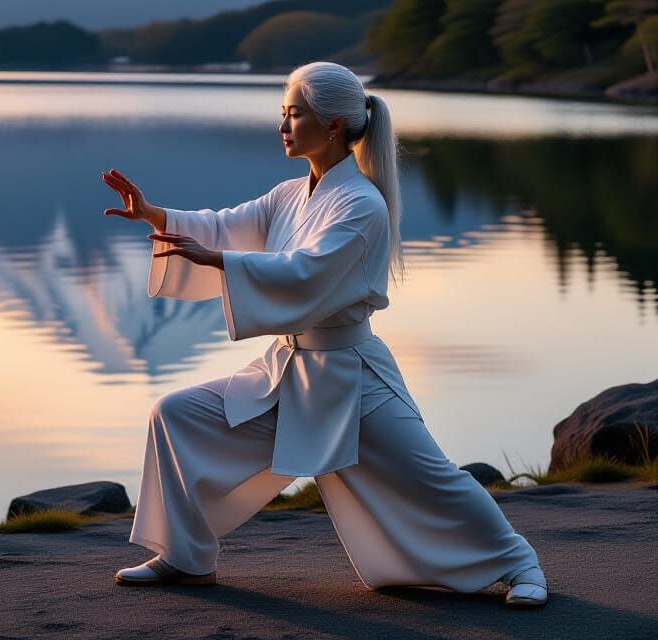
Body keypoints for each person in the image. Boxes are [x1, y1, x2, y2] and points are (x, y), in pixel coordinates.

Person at [101, 61, 548, 608]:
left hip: (350, 376)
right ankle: (186, 557)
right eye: (282, 115)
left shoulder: (361, 204)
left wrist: (221, 260)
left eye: (294, 115)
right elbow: (226, 225)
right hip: (287, 372)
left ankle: (520, 562)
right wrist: (155, 215)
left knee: (431, 480)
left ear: (334, 125)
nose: (283, 126)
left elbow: (306, 272)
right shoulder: (292, 193)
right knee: (174, 415)